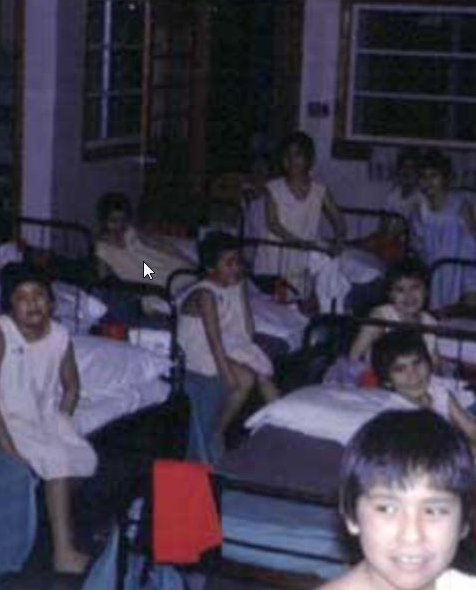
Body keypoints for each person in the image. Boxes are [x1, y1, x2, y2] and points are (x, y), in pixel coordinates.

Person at [277, 410, 476, 590]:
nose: (411, 535)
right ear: (351, 516)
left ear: (464, 523)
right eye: (387, 509)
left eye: (434, 510)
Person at [0, 262, 97, 574]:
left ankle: (50, 511)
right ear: (9, 306)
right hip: (1, 417)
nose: (32, 303)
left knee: (85, 459)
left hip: (40, 415)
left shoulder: (59, 335)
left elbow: (72, 385)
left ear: (51, 302)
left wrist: (62, 420)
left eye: (39, 295)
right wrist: (10, 449)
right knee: (55, 459)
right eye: (22, 297)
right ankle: (63, 553)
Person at [371, 331, 476, 497]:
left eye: (417, 363)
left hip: (466, 458)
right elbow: (436, 456)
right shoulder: (397, 413)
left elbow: (473, 429)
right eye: (400, 369)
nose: (413, 375)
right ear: (387, 380)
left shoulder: (437, 390)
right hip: (435, 471)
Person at [178, 232, 279, 441]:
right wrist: (227, 375)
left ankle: (284, 424)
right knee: (245, 378)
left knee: (261, 372)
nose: (236, 268)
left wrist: (240, 290)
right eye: (229, 263)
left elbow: (246, 331)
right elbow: (213, 342)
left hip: (221, 340)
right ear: (211, 268)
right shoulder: (205, 295)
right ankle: (217, 433)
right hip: (197, 348)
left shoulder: (231, 285)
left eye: (238, 262)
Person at [253, 131, 347, 295]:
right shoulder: (273, 188)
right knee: (272, 298)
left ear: (308, 159)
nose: (292, 161)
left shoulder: (320, 191)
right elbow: (273, 224)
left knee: (301, 296)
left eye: (298, 155)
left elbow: (339, 220)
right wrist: (299, 243)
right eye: (287, 156)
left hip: (302, 254)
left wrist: (339, 241)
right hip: (276, 252)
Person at [411, 149, 476, 310]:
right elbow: (418, 246)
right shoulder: (419, 209)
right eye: (423, 177)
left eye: (434, 176)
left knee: (462, 311)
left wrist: (471, 283)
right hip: (435, 269)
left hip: (462, 266)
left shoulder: (460, 205)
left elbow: (472, 245)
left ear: (445, 179)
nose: (428, 182)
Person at [94, 192, 193, 288]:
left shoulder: (130, 232)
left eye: (122, 220)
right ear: (104, 221)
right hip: (144, 281)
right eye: (113, 221)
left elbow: (159, 245)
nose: (119, 226)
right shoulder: (102, 248)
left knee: (185, 272)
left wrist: (182, 256)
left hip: (157, 266)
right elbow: (103, 278)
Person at [349, 257, 439, 364]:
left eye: (415, 287)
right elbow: (354, 356)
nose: (408, 295)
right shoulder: (380, 316)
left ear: (426, 291)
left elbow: (433, 363)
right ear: (390, 295)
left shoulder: (431, 323)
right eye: (400, 289)